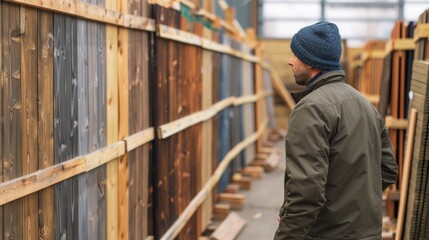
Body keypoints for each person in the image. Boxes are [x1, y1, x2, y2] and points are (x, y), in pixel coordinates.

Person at [274, 21, 398, 240]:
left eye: (296, 54)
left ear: (313, 62)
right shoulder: (365, 105)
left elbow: (306, 192)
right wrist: (351, 205)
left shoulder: (311, 109)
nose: (290, 61)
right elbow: (388, 170)